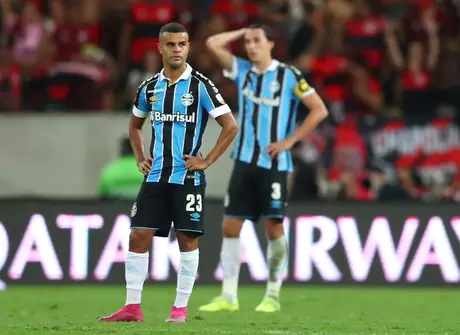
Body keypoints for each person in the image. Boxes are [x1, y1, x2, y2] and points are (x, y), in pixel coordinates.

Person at [98, 22, 238, 323]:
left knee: (187, 238)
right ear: (160, 48)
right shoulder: (149, 88)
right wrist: (139, 156)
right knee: (138, 236)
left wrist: (207, 160)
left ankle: (180, 309)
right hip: (156, 176)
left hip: (188, 177)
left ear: (188, 47)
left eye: (182, 44)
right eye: (171, 44)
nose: (177, 49)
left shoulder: (200, 86)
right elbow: (135, 125)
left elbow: (230, 126)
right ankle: (132, 307)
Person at [200, 23, 328, 313]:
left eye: (257, 40)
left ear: (271, 44)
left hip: (274, 164)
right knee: (230, 226)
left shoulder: (289, 75)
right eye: (248, 42)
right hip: (243, 161)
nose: (251, 46)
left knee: (273, 226)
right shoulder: (242, 70)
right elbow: (212, 43)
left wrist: (289, 141)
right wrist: (242, 30)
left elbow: (319, 109)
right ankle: (228, 297)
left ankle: (272, 294)